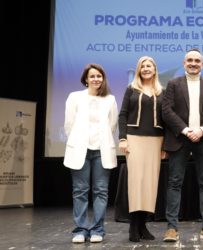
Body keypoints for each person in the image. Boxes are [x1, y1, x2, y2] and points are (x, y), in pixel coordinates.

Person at [162, 48, 203, 242]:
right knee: (174, 183)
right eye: (190, 60)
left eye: (197, 60)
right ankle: (172, 228)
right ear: (184, 63)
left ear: (202, 64)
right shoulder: (173, 84)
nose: (193, 63)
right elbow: (167, 111)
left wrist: (201, 130)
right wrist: (187, 130)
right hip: (180, 139)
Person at [63, 63, 118, 244]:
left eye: (99, 76)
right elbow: (69, 124)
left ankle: (97, 230)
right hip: (80, 150)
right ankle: (79, 230)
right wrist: (80, 141)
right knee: (80, 191)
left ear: (103, 79)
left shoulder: (110, 99)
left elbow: (112, 125)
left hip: (101, 151)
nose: (96, 79)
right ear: (86, 79)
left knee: (101, 191)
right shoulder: (75, 97)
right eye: (92, 76)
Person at [118, 56, 166, 242]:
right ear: (139, 70)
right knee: (136, 182)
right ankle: (133, 226)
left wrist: (166, 144)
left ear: (155, 69)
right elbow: (122, 115)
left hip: (156, 140)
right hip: (134, 138)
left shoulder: (162, 91)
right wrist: (122, 138)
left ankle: (143, 225)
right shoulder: (131, 89)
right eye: (143, 66)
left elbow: (167, 120)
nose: (146, 68)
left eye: (149, 66)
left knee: (150, 184)